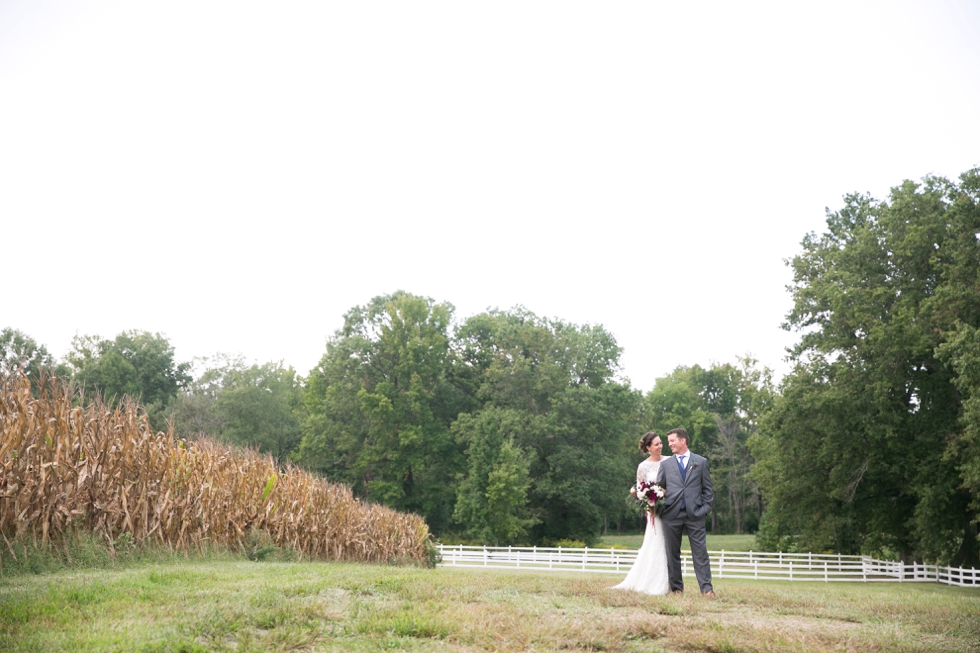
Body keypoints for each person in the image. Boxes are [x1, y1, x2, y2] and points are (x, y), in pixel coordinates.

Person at [655, 427, 715, 596]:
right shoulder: (665, 465)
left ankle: (706, 589)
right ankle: (677, 589)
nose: (669, 445)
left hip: (695, 514)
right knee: (672, 553)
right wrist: (661, 511)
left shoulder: (700, 462)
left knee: (700, 553)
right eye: (668, 442)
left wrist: (704, 510)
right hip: (671, 515)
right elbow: (659, 489)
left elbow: (708, 490)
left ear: (683, 441)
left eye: (672, 441)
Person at [611, 432, 670, 595]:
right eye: (656, 444)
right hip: (654, 511)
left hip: (671, 509)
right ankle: (654, 581)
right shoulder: (643, 467)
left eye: (660, 443)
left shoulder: (669, 461)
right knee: (655, 543)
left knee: (669, 545)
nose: (660, 446)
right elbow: (639, 490)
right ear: (648, 447)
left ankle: (672, 583)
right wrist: (651, 500)